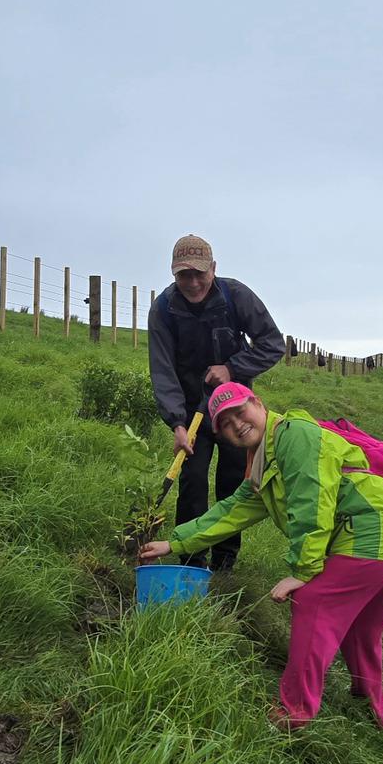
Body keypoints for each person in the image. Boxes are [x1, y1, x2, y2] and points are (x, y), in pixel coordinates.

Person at [139, 383, 383, 729]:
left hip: (373, 525)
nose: (237, 424)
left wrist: (302, 572)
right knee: (362, 621)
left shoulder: (294, 436)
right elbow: (230, 512)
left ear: (258, 403)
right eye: (226, 423)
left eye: (240, 411)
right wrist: (174, 543)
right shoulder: (262, 463)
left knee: (314, 601)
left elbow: (311, 502)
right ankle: (368, 698)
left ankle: (294, 711)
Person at [148, 234, 284, 571]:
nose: (192, 283)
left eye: (199, 273)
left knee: (233, 481)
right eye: (183, 275)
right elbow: (162, 370)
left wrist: (233, 368)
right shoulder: (163, 309)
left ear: (213, 269)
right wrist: (177, 424)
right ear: (172, 273)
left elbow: (272, 343)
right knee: (192, 481)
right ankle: (191, 561)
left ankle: (225, 560)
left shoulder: (236, 295)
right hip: (192, 413)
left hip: (234, 411)